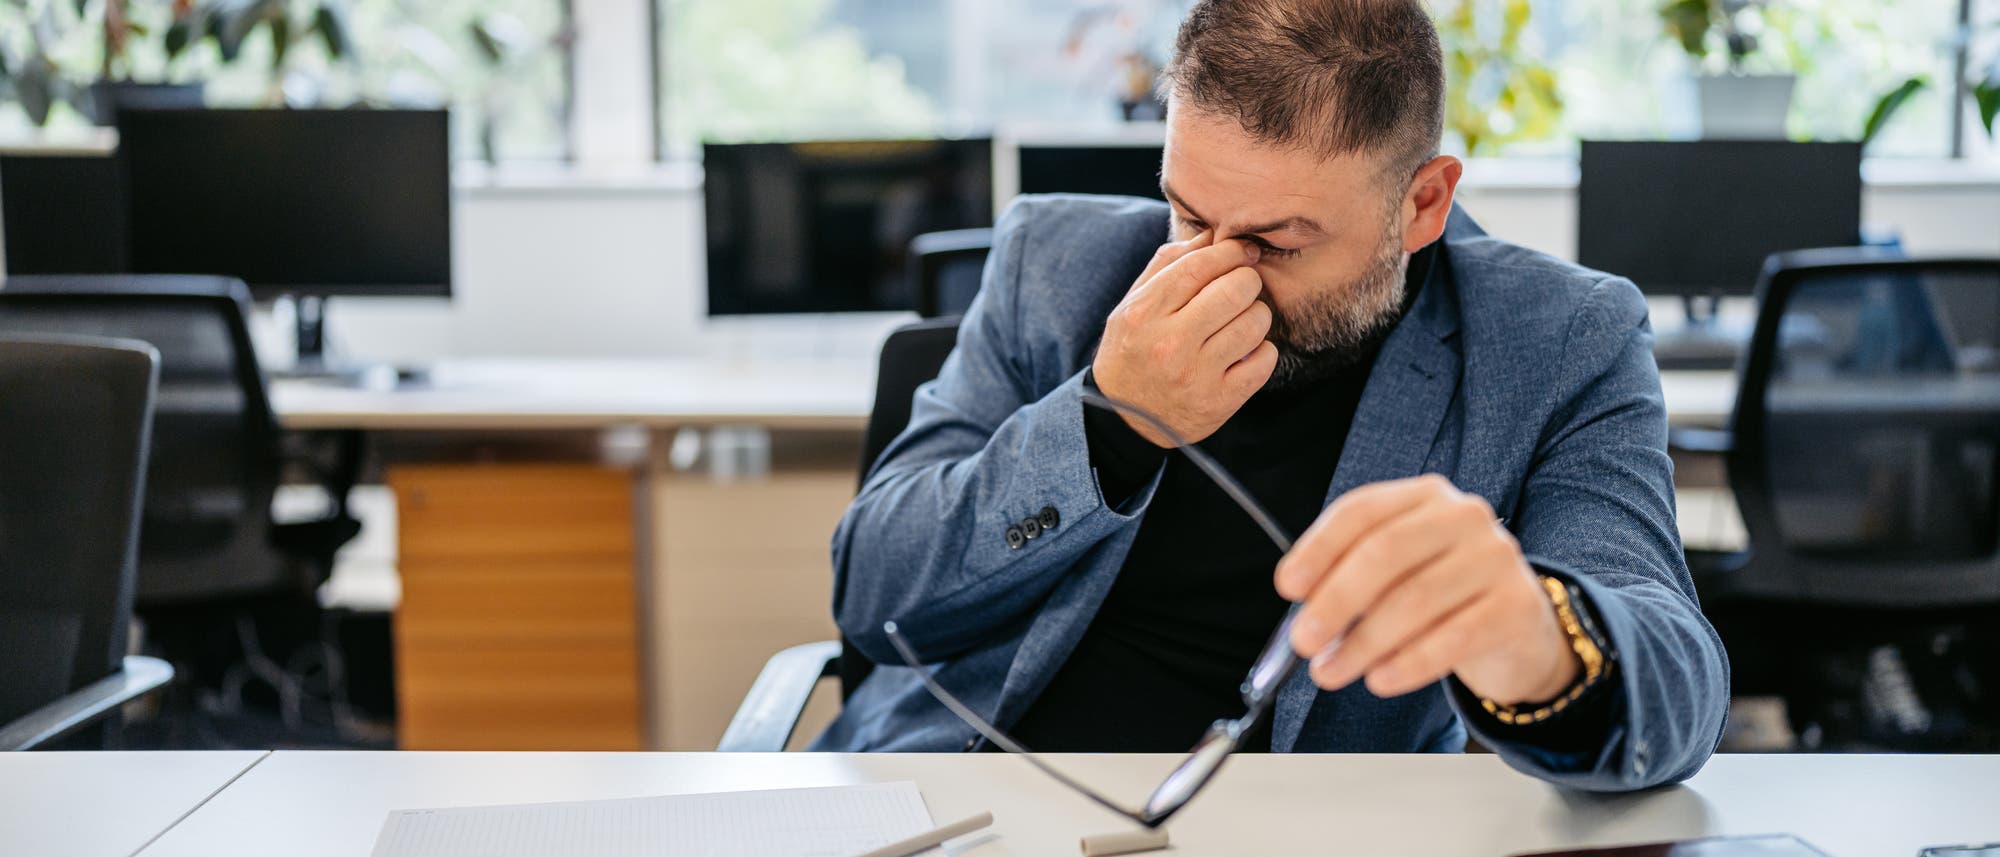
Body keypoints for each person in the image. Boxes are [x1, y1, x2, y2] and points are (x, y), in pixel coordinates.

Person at [813, 0, 1728, 792]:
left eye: (1279, 244)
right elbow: (874, 595)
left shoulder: (1560, 338)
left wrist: (1538, 636)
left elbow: (1678, 687)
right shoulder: (1053, 266)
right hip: (992, 794)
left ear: (1422, 205)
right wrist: (1109, 420)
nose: (1216, 274)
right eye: (1189, 215)